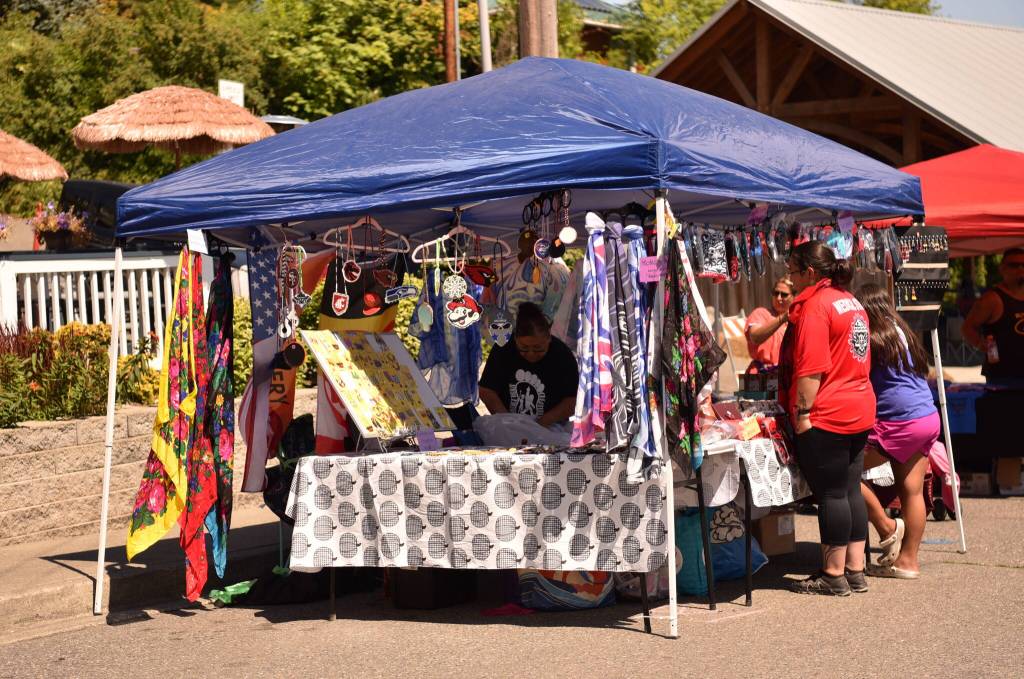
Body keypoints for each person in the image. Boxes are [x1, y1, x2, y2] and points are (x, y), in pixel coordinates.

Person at [780, 241, 875, 596]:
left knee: (832, 494)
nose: (788, 277)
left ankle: (833, 574)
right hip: (859, 405)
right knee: (849, 488)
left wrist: (803, 413)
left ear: (809, 272)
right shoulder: (850, 301)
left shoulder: (817, 306)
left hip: (829, 411)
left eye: (791, 270)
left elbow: (811, 368)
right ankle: (855, 569)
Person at [856, 284, 939, 579]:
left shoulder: (873, 338)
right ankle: (907, 562)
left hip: (899, 422)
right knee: (912, 491)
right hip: (926, 416)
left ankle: (886, 526)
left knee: (842, 473)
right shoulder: (902, 332)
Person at [479, 302, 578, 427]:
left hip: (552, 427)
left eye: (538, 349)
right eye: (524, 348)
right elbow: (486, 390)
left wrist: (542, 423)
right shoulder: (503, 349)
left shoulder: (562, 355)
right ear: (515, 339)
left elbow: (573, 400)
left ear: (549, 339)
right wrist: (508, 421)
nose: (531, 354)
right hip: (509, 426)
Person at [962, 248, 1024, 388]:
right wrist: (980, 343)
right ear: (1002, 269)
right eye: (1014, 265)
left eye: (1023, 265)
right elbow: (967, 328)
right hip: (1004, 378)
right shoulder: (992, 299)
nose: (1020, 269)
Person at [744, 276, 795, 368]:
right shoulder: (760, 313)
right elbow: (755, 337)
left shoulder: (798, 320)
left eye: (784, 295)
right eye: (776, 293)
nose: (778, 298)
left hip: (786, 374)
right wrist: (781, 319)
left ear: (794, 296)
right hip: (761, 375)